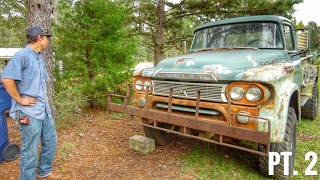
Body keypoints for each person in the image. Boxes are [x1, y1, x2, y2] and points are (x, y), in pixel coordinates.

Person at [1, 26, 60, 180]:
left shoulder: (38, 56)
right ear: (39, 37)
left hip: (43, 109)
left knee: (51, 140)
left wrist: (44, 96)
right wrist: (20, 99)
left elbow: (39, 81)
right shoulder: (22, 55)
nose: (48, 40)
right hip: (29, 112)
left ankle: (44, 171)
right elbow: (6, 79)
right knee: (30, 149)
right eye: (46, 37)